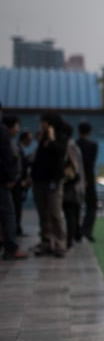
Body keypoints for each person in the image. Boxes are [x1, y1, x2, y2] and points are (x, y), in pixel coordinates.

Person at [32, 113, 70, 258]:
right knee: (43, 214)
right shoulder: (42, 138)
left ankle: (60, 244)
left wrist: (52, 138)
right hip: (39, 180)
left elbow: (59, 154)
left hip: (54, 180)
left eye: (45, 123)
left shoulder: (62, 137)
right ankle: (46, 242)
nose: (42, 125)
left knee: (55, 213)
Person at [0, 104, 27, 260]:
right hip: (2, 182)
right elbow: (6, 157)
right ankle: (11, 247)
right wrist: (10, 178)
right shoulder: (2, 131)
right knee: (9, 213)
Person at [61, 122, 86, 245]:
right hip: (75, 185)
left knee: (70, 212)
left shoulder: (69, 147)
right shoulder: (74, 146)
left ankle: (71, 238)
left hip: (72, 186)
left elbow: (75, 169)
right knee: (73, 212)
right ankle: (75, 235)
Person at [77, 121, 99, 241]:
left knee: (75, 206)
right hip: (88, 179)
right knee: (92, 206)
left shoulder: (74, 145)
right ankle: (86, 229)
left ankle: (77, 231)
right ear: (89, 131)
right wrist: (87, 179)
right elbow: (90, 164)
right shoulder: (93, 146)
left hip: (75, 179)